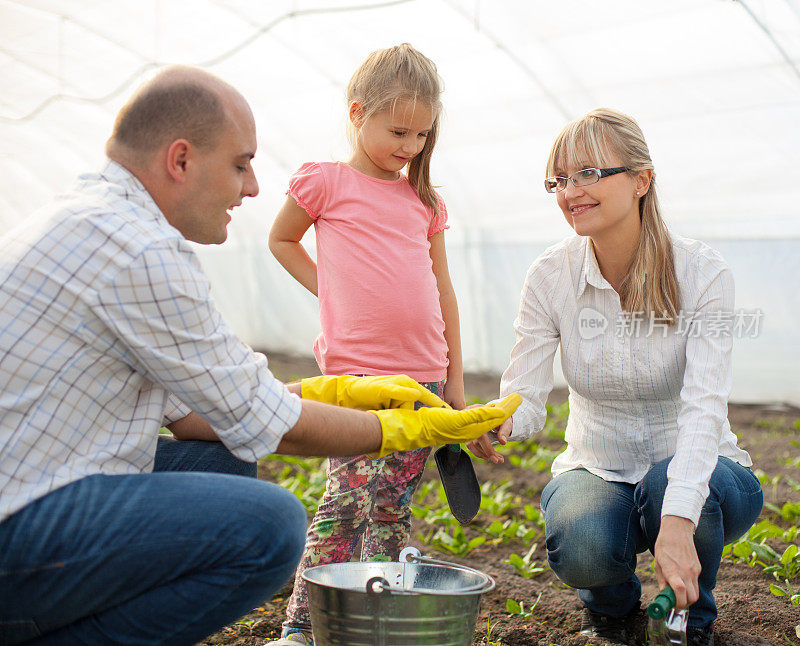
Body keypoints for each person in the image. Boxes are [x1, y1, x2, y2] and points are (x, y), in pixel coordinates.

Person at [0, 65, 519, 646]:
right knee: (270, 524)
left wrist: (344, 394)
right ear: (181, 160)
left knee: (220, 463)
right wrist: (387, 424)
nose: (250, 188)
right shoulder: (140, 251)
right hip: (18, 520)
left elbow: (203, 416)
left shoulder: (96, 217)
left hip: (37, 482)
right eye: (240, 165)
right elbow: (260, 420)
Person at [467, 108, 762, 646]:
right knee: (582, 538)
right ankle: (613, 613)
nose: (569, 193)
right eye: (559, 181)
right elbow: (525, 393)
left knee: (671, 483)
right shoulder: (550, 276)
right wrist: (497, 420)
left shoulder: (701, 273)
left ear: (642, 180)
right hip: (598, 464)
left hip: (708, 470)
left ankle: (691, 624)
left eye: (588, 174)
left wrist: (676, 519)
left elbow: (703, 410)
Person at [266, 43, 464, 645]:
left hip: (423, 374)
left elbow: (444, 291)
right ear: (358, 114)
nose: (410, 147)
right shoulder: (325, 183)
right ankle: (301, 625)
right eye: (398, 130)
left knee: (392, 508)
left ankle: (374, 620)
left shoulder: (423, 201)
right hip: (354, 377)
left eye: (422, 136)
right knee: (344, 503)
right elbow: (281, 241)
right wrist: (334, 291)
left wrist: (452, 384)